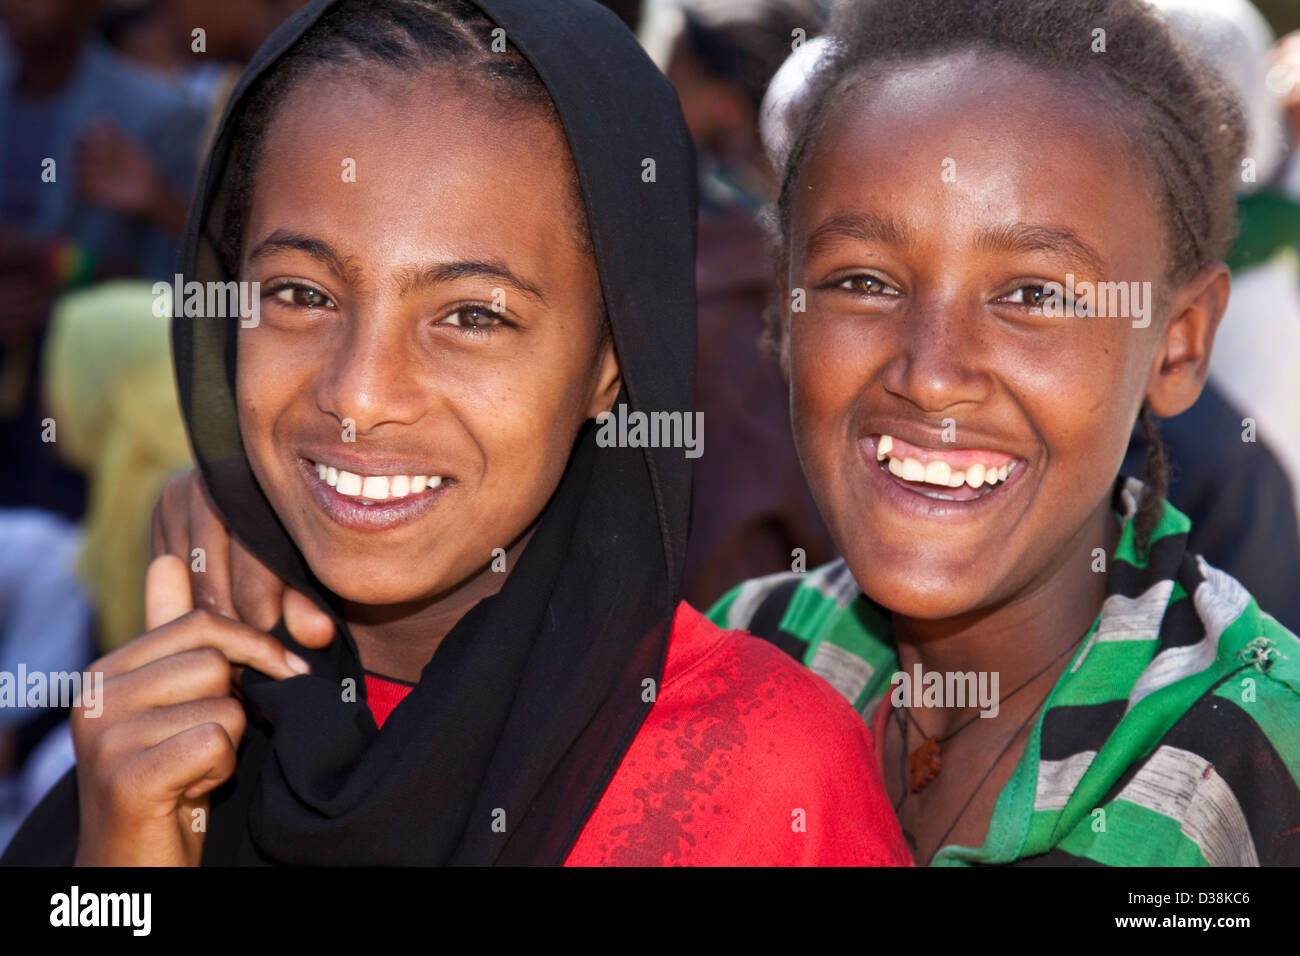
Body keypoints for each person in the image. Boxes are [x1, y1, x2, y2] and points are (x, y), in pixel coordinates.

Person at [2, 0, 908, 867]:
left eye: (473, 315)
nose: (359, 395)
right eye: (302, 295)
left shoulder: (761, 780)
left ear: (611, 364)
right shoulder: (157, 725)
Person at [711, 0, 1300, 866]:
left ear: (1178, 344)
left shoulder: (1254, 752)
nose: (933, 371)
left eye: (1034, 294)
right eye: (864, 281)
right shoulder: (754, 648)